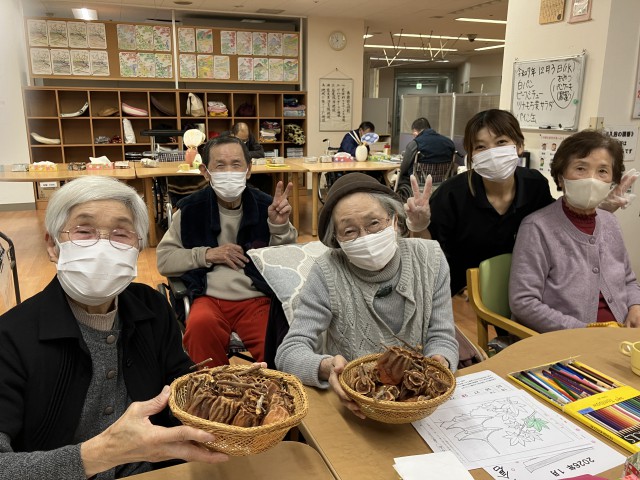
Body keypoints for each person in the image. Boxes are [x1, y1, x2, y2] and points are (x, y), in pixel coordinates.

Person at [0, 176, 228, 478]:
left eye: (121, 234)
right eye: (84, 231)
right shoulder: (11, 338)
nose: (103, 246)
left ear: (138, 247)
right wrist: (101, 454)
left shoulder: (151, 308)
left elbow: (179, 384)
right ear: (53, 246)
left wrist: (224, 394)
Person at [275, 173, 458, 418]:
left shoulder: (430, 258)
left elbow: (442, 335)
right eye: (349, 230)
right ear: (336, 239)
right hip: (357, 406)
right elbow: (289, 352)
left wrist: (440, 360)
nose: (365, 237)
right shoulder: (327, 271)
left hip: (418, 403)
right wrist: (327, 367)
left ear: (394, 221)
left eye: (374, 223)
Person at [426, 109, 637, 298]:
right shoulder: (452, 194)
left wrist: (599, 209)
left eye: (501, 142)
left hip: (526, 285)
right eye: (480, 147)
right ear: (471, 155)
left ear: (519, 146)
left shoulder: (534, 184)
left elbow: (557, 226)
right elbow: (429, 252)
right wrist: (418, 225)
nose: (492, 152)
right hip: (458, 291)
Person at [156, 135, 297, 367]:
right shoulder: (190, 210)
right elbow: (164, 260)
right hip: (206, 297)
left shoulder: (267, 207)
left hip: (257, 299)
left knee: (280, 349)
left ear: (248, 170)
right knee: (199, 331)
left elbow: (288, 262)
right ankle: (215, 389)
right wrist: (207, 254)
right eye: (220, 166)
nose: (229, 172)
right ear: (205, 172)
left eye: (236, 164)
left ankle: (272, 390)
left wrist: (279, 226)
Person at [509, 130, 640, 332]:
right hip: (568, 340)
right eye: (581, 168)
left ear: (611, 180)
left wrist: (635, 307)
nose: (591, 179)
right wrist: (583, 332)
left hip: (622, 335)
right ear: (561, 177)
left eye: (602, 171)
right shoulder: (536, 227)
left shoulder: (610, 222)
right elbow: (523, 303)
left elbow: (628, 280)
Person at [397, 117, 456, 200]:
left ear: (415, 131)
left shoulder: (416, 143)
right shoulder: (449, 142)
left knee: (401, 176)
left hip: (420, 183)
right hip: (443, 183)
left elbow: (404, 167)